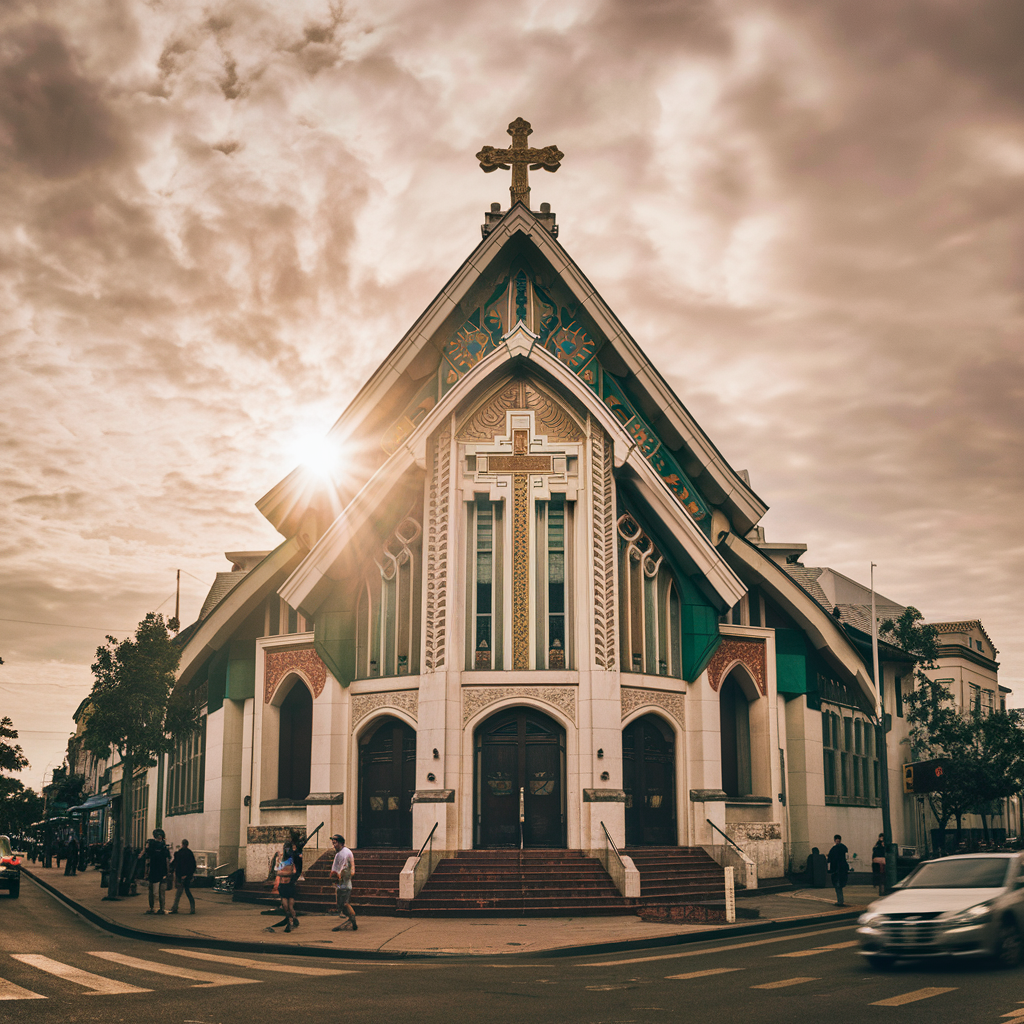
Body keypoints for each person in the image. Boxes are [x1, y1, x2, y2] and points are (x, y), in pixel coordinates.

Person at [139, 829, 171, 914]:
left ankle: (152, 907)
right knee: (161, 892)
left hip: (153, 871)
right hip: (162, 871)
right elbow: (167, 860)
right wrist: (168, 872)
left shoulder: (151, 847)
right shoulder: (164, 848)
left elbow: (146, 859)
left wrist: (146, 873)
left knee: (152, 891)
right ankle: (161, 908)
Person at [329, 834, 357, 932]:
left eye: (335, 843)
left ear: (340, 843)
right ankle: (351, 917)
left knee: (345, 903)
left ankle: (353, 917)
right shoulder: (337, 855)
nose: (334, 845)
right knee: (340, 905)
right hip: (340, 884)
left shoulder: (347, 853)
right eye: (333, 843)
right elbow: (334, 869)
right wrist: (334, 877)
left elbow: (351, 868)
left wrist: (347, 875)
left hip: (345, 883)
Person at [169, 838, 197, 914]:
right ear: (187, 845)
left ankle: (175, 907)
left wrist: (172, 871)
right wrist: (189, 874)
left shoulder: (179, 853)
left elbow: (175, 864)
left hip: (179, 875)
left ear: (182, 844)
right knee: (188, 892)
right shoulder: (190, 853)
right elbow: (193, 866)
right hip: (187, 876)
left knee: (178, 892)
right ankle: (192, 908)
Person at [274, 850, 298, 933]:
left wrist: (284, 873)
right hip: (283, 885)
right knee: (285, 905)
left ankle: (294, 919)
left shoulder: (292, 863)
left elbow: (293, 872)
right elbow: (278, 872)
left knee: (291, 906)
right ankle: (290, 920)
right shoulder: (282, 863)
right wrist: (286, 873)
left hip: (290, 886)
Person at [826, 834, 850, 906]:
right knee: (840, 885)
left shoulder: (834, 849)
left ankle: (840, 900)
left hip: (836, 870)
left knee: (837, 886)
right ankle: (840, 900)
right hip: (842, 869)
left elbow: (830, 859)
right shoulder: (844, 848)